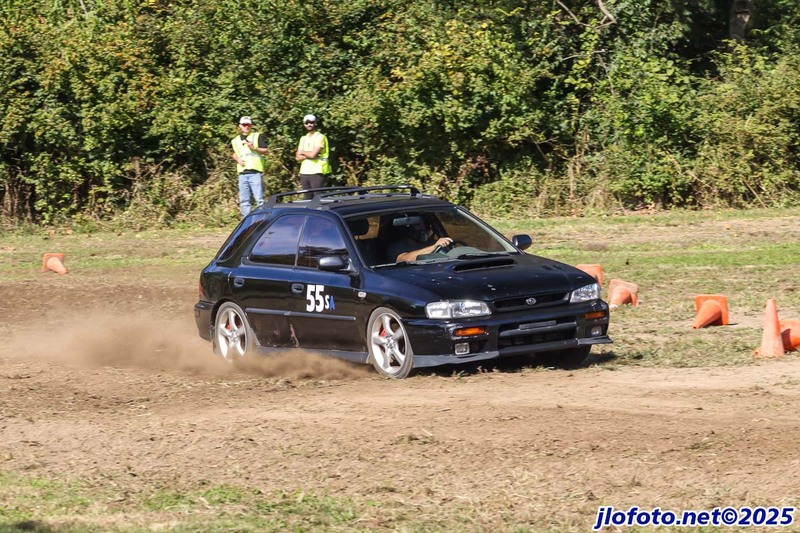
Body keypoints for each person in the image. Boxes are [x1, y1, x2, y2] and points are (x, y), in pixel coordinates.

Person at [231, 116, 269, 216]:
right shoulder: (235, 140)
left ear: (251, 125)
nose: (246, 126)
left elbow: (266, 151)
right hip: (242, 173)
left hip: (255, 172)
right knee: (244, 201)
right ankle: (247, 223)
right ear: (240, 126)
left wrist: (254, 148)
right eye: (244, 124)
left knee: (259, 200)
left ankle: (260, 220)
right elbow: (235, 153)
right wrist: (237, 159)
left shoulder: (257, 136)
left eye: (248, 124)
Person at [295, 114, 331, 199]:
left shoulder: (320, 137)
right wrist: (308, 155)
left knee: (317, 198)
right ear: (304, 124)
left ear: (315, 123)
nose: (309, 124)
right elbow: (297, 157)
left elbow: (313, 154)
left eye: (311, 122)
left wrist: (303, 152)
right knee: (307, 199)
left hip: (317, 171)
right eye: (307, 123)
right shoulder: (303, 138)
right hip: (304, 171)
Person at [387, 220, 453, 263]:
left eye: (425, 224)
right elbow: (405, 259)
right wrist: (433, 247)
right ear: (408, 228)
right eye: (418, 225)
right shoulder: (396, 247)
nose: (423, 227)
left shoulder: (430, 243)